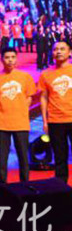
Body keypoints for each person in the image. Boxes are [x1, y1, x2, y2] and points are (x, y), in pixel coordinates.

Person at [0, 47, 35, 185]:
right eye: (7, 57)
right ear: (1, 59)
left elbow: (29, 97)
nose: (10, 60)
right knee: (2, 157)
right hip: (2, 123)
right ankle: (2, 186)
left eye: (13, 57)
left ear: (16, 59)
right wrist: (1, 108)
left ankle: (25, 185)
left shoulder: (25, 77)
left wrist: (21, 109)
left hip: (21, 123)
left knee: (23, 156)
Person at [39, 40, 72, 183]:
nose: (58, 52)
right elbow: (44, 98)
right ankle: (61, 187)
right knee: (59, 156)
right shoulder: (46, 74)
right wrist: (45, 121)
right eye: (55, 49)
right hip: (55, 120)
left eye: (62, 49)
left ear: (70, 52)